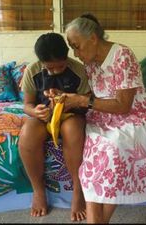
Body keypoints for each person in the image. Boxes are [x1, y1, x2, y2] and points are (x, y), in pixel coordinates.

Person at [61, 13, 146, 224]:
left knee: (116, 146)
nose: (76, 53)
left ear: (93, 38)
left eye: (77, 46)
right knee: (98, 151)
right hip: (102, 114)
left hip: (133, 113)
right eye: (73, 48)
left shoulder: (121, 54)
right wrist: (69, 99)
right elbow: (96, 95)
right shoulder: (90, 62)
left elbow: (123, 106)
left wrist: (83, 102)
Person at [18, 32, 89, 221]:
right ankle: (38, 191)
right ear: (41, 62)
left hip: (71, 115)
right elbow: (27, 105)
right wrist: (36, 112)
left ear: (67, 56)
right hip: (44, 117)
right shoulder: (32, 71)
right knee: (27, 134)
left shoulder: (79, 70)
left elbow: (86, 102)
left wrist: (66, 100)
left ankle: (77, 192)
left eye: (61, 66)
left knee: (72, 130)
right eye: (50, 68)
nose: (57, 71)